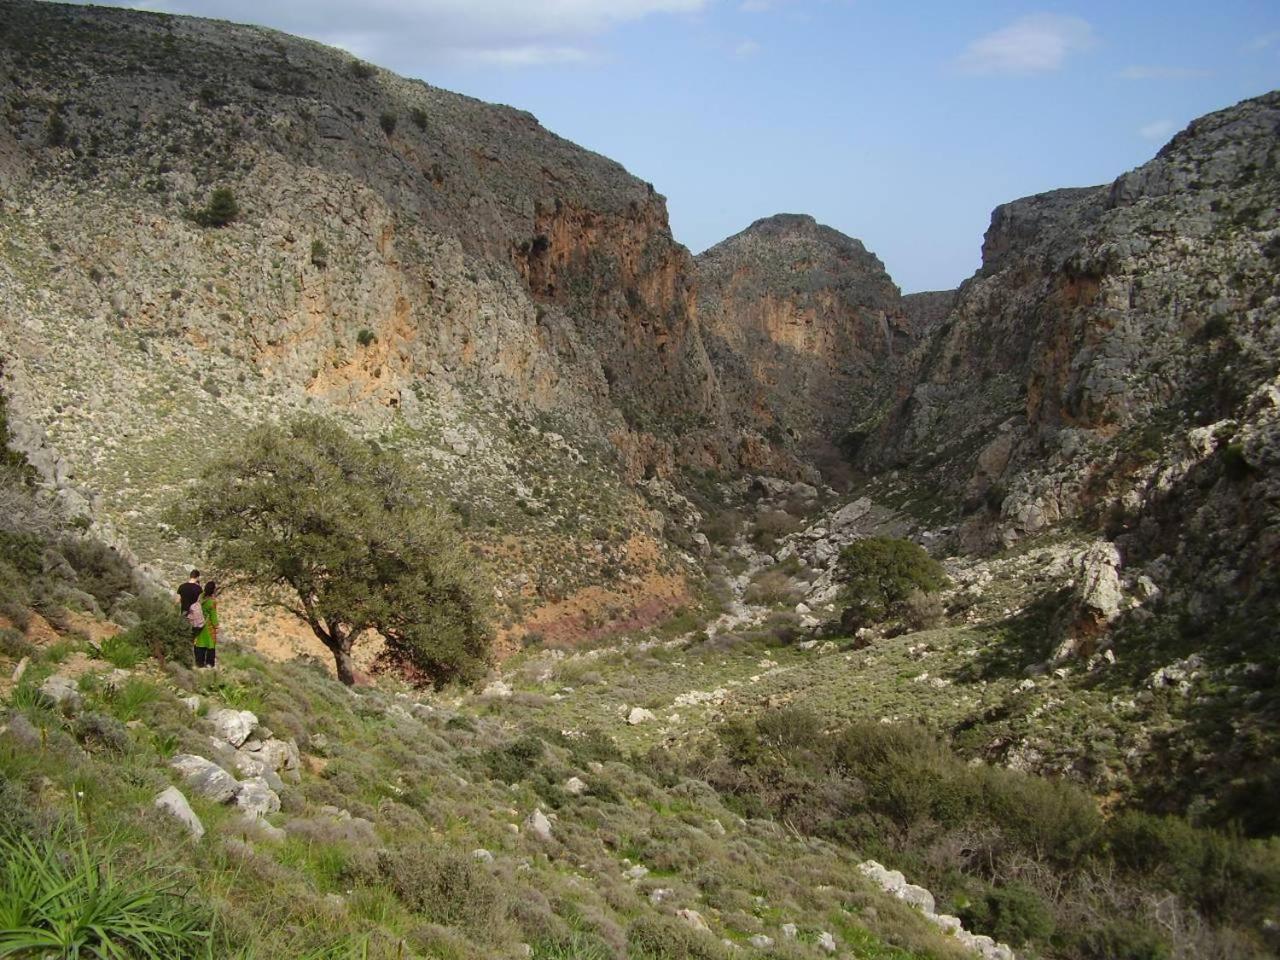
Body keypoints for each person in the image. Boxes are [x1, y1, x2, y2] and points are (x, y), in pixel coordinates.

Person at [193, 580, 219, 668]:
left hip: (199, 623)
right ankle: (209, 663)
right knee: (210, 644)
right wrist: (216, 626)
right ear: (213, 590)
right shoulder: (212, 602)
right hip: (208, 626)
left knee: (200, 643)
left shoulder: (201, 597)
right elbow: (213, 616)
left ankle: (199, 662)